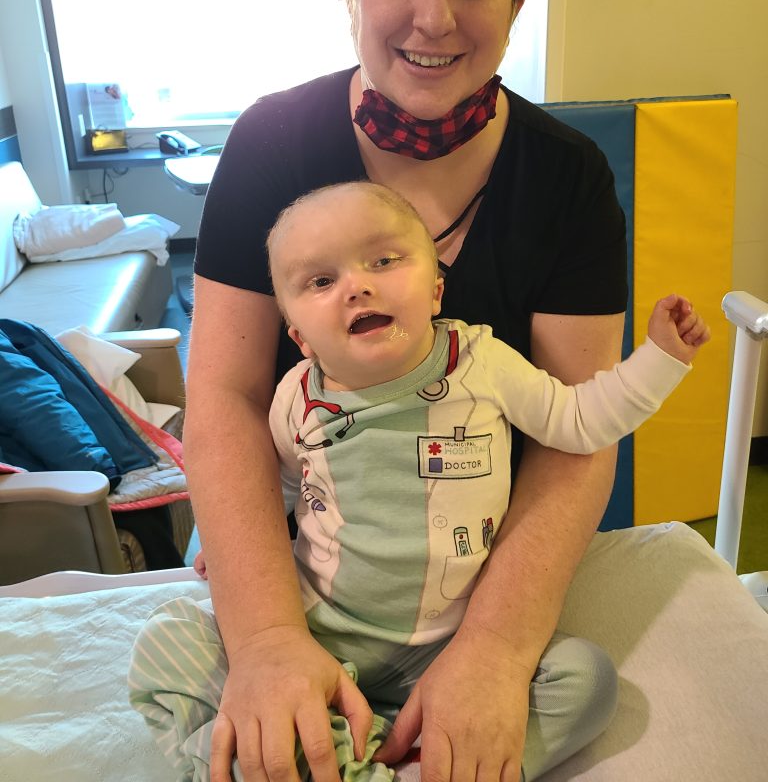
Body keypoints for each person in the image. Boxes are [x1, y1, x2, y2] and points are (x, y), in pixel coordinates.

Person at [181, 0, 649, 782]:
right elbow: (224, 398)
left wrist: (495, 650)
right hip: (298, 546)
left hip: (468, 568)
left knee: (581, 688)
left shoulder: (567, 178)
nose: (433, 18)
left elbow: (576, 436)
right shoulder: (271, 142)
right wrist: (269, 638)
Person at [131, 181, 709, 781]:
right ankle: (278, 754)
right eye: (321, 282)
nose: (357, 285)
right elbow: (285, 483)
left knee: (586, 681)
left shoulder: (482, 362)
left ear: (435, 291)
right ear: (299, 335)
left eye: (383, 261)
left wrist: (659, 359)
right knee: (167, 640)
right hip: (319, 631)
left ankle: (391, 762)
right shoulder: (295, 398)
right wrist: (233, 551)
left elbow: (581, 423)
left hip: (450, 648)